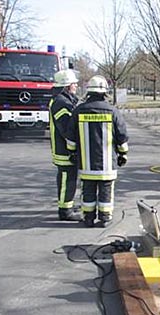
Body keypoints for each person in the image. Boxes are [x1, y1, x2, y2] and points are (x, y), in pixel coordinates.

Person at [66, 75, 129, 228]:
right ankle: (105, 218)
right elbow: (122, 135)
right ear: (104, 93)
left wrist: (73, 153)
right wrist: (123, 154)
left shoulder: (78, 110)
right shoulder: (112, 111)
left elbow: (70, 136)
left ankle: (88, 218)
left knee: (88, 189)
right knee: (106, 190)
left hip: (86, 163)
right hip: (107, 164)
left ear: (88, 92)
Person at [49, 69, 81, 221]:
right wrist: (73, 149)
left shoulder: (62, 100)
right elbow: (67, 129)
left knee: (67, 179)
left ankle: (67, 205)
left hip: (63, 148)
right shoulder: (62, 103)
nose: (76, 85)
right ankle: (65, 211)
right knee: (67, 180)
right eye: (74, 83)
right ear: (67, 85)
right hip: (64, 150)